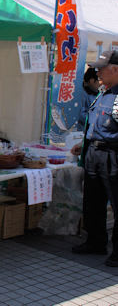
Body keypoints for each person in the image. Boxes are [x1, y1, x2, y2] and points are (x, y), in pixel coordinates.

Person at [71, 51, 118, 267]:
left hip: (113, 156)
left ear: (115, 69)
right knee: (93, 201)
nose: (96, 72)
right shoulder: (102, 92)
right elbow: (96, 123)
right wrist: (85, 143)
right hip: (93, 154)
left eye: (101, 68)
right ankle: (96, 242)